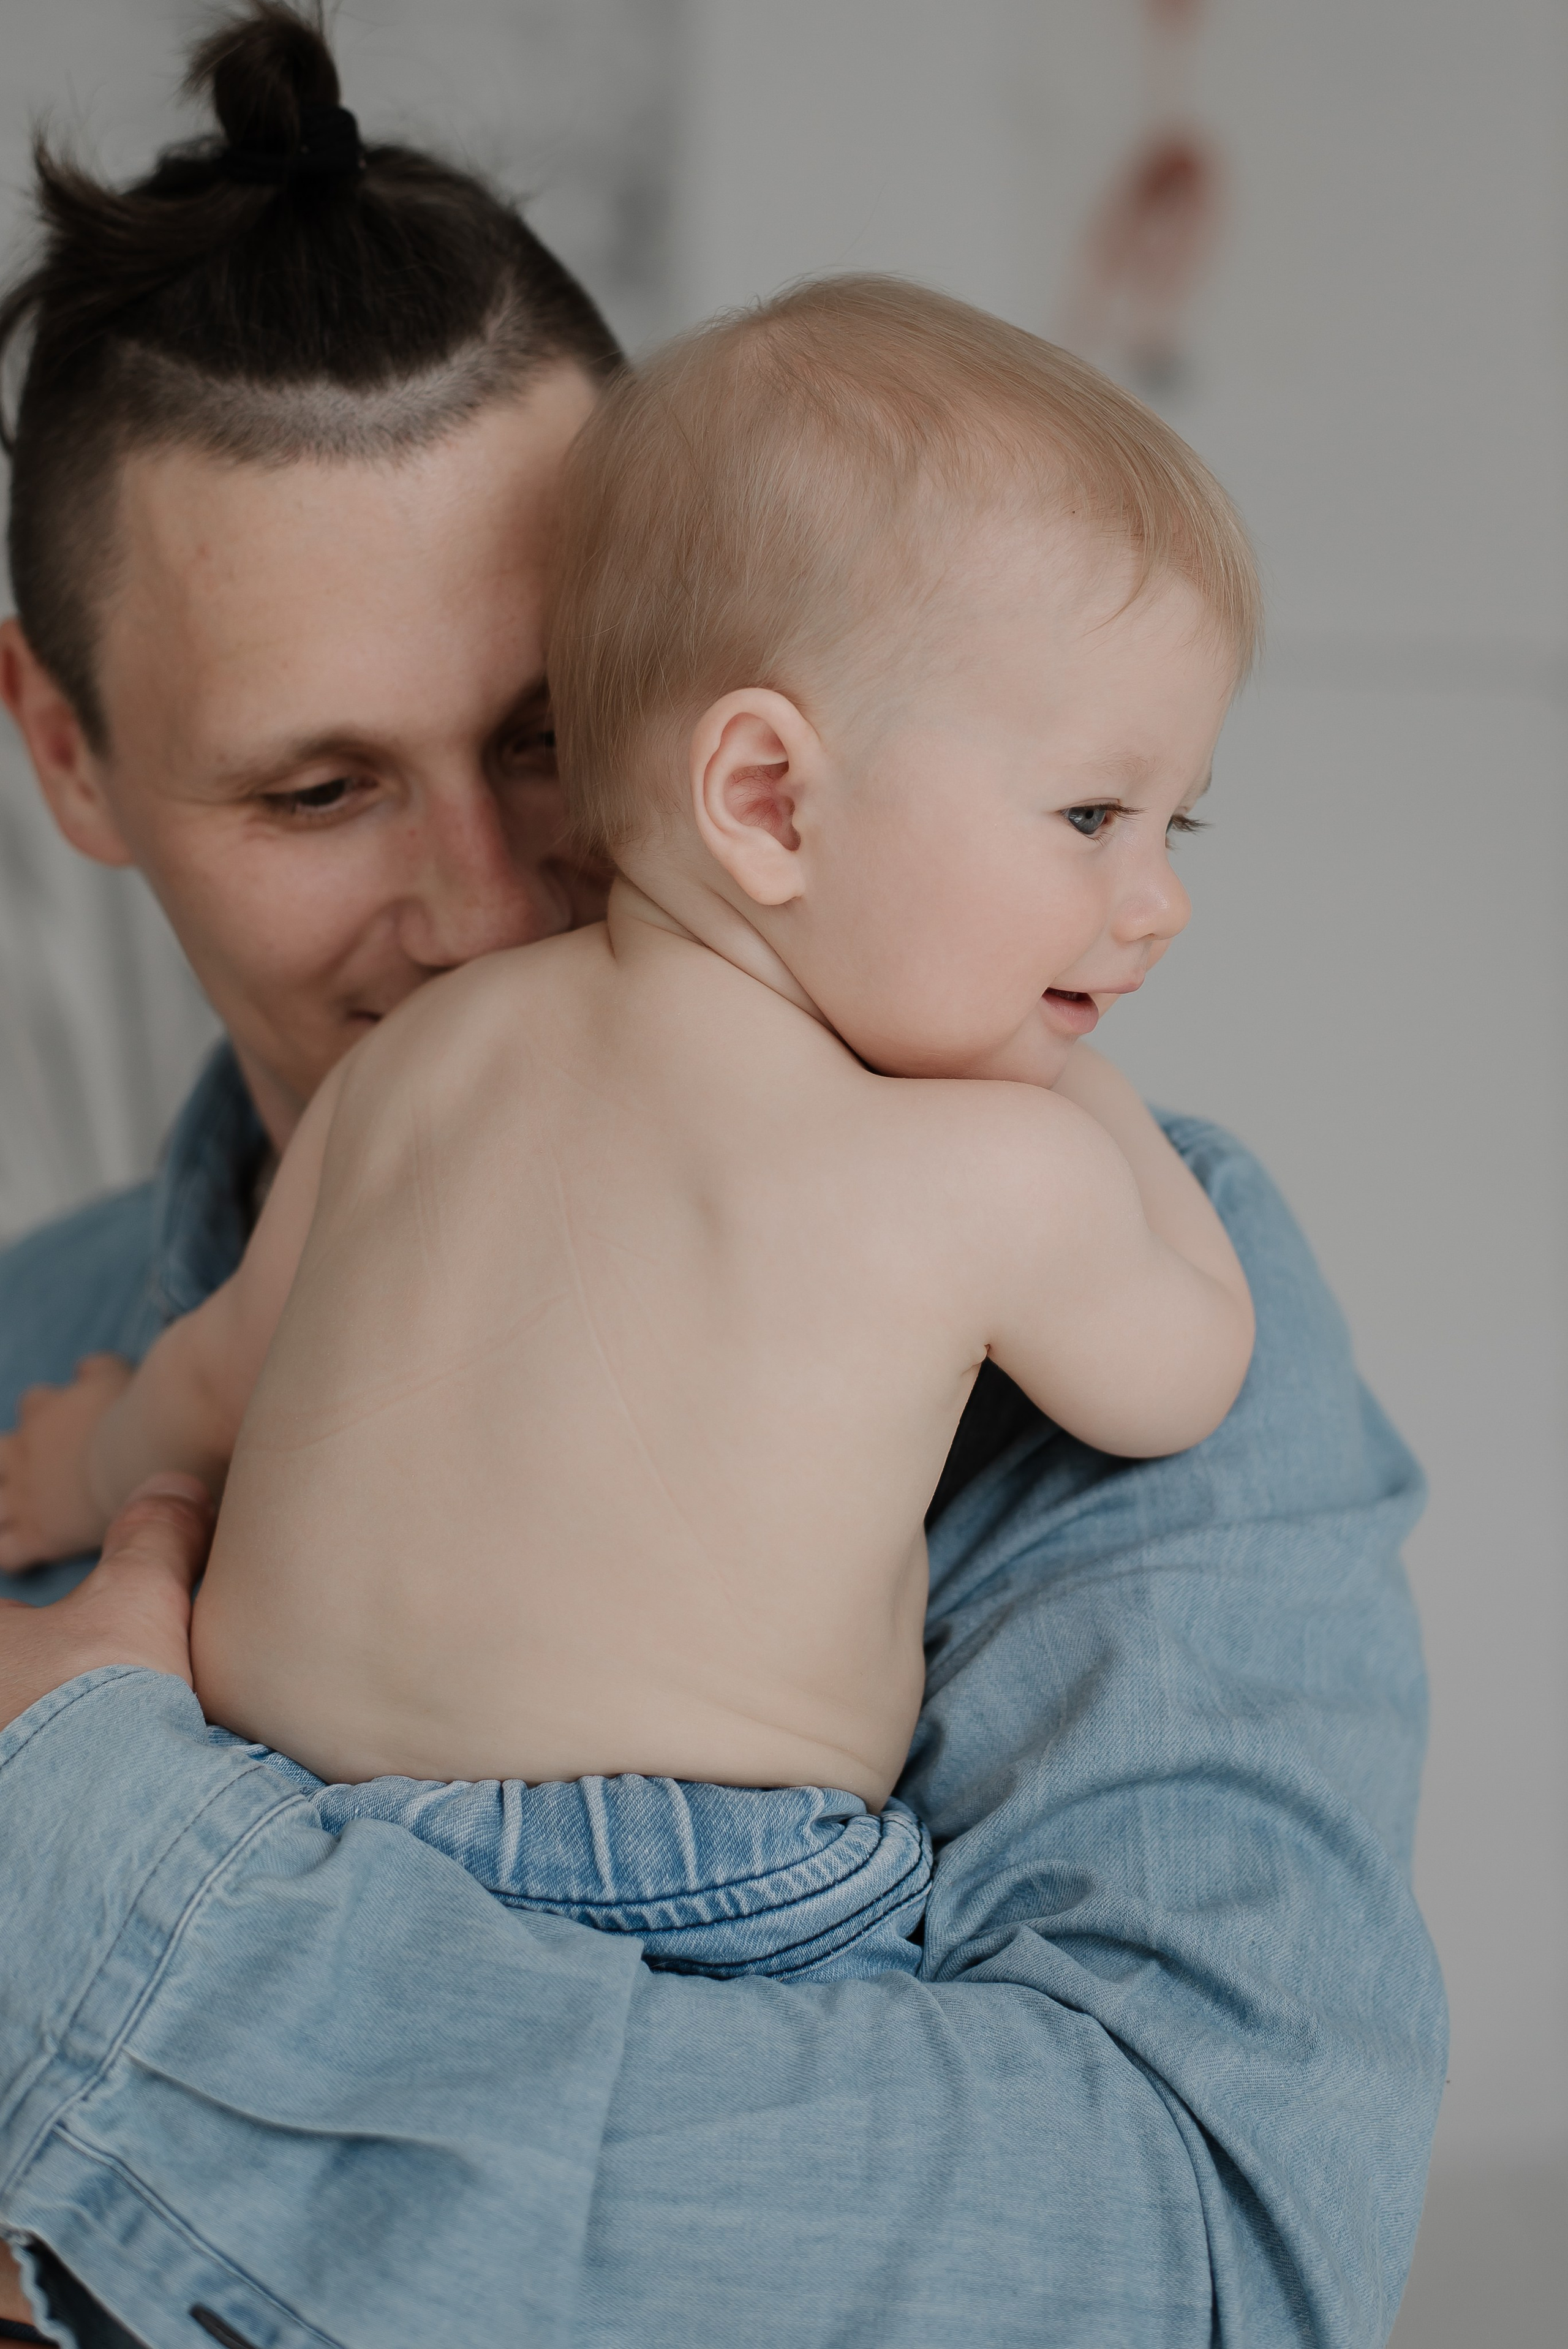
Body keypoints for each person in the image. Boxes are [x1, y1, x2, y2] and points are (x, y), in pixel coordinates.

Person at [0, 6, 1445, 2344]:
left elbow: (1197, 2265)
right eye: (318, 790)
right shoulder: (27, 1324)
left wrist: (67, 1848)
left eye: (554, 735)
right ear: (66, 753)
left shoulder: (1124, 1265)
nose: (488, 907)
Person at [0, 281, 1258, 1985]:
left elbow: (218, 1373)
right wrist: (1075, 1085)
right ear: (767, 799)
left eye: (1174, 826)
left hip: (274, 1808)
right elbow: (1186, 1376)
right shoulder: (997, 1169)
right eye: (1093, 815)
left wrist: (82, 1466)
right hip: (701, 1877)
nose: (1157, 904)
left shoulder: (426, 1055)